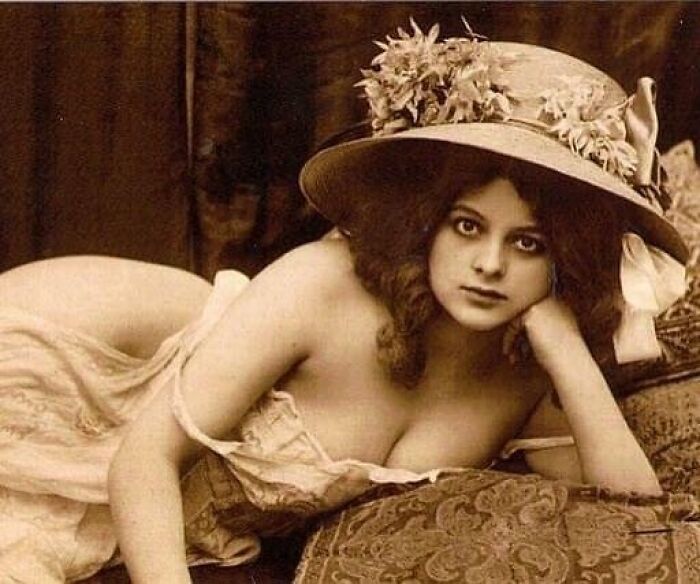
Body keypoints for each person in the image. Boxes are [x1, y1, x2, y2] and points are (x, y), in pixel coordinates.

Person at [0, 20, 690, 584]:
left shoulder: (524, 378)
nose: (489, 264)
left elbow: (634, 510)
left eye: (529, 243)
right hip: (67, 371)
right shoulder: (323, 286)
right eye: (467, 226)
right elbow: (143, 459)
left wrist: (565, 346)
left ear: (566, 257)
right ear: (427, 221)